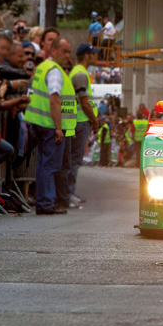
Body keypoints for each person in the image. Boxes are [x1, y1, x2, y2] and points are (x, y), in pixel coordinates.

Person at [23, 35, 77, 215]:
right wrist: (59, 127)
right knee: (50, 165)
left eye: (69, 52)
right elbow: (54, 99)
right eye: (64, 51)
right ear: (53, 50)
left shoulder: (43, 67)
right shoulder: (54, 70)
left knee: (42, 164)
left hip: (37, 122)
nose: (67, 55)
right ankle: (46, 203)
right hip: (48, 123)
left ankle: (43, 201)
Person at [64, 43, 101, 206]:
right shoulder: (80, 74)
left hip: (77, 121)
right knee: (74, 159)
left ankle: (68, 192)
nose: (96, 56)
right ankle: (68, 193)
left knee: (72, 159)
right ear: (87, 56)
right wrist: (94, 120)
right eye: (93, 54)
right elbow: (85, 103)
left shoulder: (79, 72)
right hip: (79, 121)